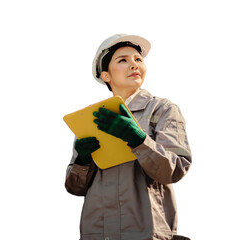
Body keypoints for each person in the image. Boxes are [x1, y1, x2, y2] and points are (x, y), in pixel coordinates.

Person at [65, 34, 192, 240]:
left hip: (147, 233)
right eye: (123, 60)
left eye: (138, 59)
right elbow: (74, 187)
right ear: (106, 75)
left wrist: (138, 140)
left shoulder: (162, 110)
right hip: (98, 235)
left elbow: (176, 169)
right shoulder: (92, 118)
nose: (134, 64)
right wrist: (82, 160)